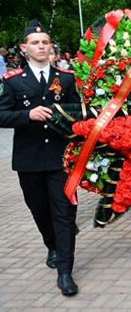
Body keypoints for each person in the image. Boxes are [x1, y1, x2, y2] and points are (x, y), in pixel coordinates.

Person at [0, 20, 81, 295]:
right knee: (40, 210)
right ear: (24, 49)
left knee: (64, 213)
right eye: (35, 43)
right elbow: (1, 115)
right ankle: (52, 245)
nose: (42, 46)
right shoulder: (12, 81)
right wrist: (28, 115)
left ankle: (65, 271)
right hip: (29, 159)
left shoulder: (66, 78)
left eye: (45, 42)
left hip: (61, 157)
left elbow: (78, 114)